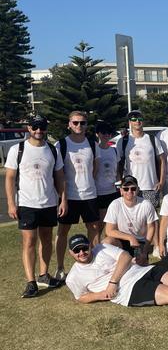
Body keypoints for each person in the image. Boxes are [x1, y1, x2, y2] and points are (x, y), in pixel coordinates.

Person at [65, 234, 168, 315]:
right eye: (77, 250)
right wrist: (102, 294)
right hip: (129, 290)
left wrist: (113, 281)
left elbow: (125, 256)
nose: (82, 253)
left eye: (84, 248)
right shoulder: (73, 277)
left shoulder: (101, 248)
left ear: (89, 245)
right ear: (71, 253)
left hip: (141, 270)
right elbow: (81, 297)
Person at [4, 114, 66, 297]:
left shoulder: (53, 150)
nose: (39, 130)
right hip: (26, 204)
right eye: (35, 127)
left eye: (42, 127)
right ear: (29, 128)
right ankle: (31, 282)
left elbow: (60, 177)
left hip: (48, 203)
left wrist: (63, 200)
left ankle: (44, 274)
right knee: (29, 242)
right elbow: (9, 178)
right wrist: (11, 203)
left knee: (46, 240)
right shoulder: (18, 149)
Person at [54, 110, 102, 281]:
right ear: (69, 124)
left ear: (87, 125)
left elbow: (95, 168)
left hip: (89, 194)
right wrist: (63, 198)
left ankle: (96, 264)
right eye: (75, 122)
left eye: (82, 123)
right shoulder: (61, 145)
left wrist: (87, 181)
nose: (79, 126)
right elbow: (58, 173)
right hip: (69, 197)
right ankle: (60, 268)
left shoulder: (92, 143)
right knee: (63, 231)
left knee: (94, 230)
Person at [117, 110, 166, 209]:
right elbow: (119, 164)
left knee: (152, 219)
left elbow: (162, 161)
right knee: (133, 217)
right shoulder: (123, 141)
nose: (137, 121)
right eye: (134, 119)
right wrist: (120, 181)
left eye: (139, 118)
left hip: (151, 186)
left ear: (143, 121)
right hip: (131, 187)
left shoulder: (152, 139)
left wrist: (161, 182)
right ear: (130, 122)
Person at [103, 175, 158, 263]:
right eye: (126, 189)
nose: (129, 191)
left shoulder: (146, 204)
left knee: (140, 269)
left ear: (138, 190)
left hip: (140, 243)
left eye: (133, 188)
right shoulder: (115, 204)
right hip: (121, 241)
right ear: (121, 191)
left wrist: (145, 250)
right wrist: (130, 238)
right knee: (106, 242)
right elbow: (109, 231)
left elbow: (151, 227)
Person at [94, 121, 120, 235]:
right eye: (103, 132)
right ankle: (96, 246)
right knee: (100, 224)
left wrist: (119, 186)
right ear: (97, 134)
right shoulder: (94, 150)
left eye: (109, 133)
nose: (106, 135)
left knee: (114, 224)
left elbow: (118, 171)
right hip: (99, 192)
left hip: (113, 191)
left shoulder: (114, 150)